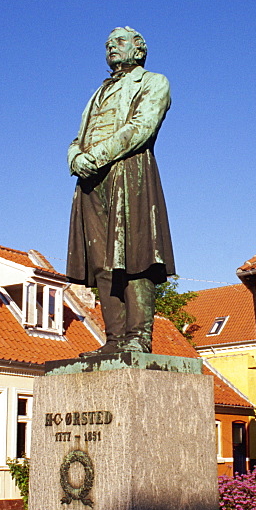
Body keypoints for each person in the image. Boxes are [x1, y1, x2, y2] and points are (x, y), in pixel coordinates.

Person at [66, 27, 175, 354]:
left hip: (129, 174)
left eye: (120, 42)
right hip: (91, 181)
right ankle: (114, 340)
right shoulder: (97, 93)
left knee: (135, 255)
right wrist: (75, 158)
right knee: (101, 261)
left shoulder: (154, 82)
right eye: (108, 44)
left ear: (139, 49)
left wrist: (96, 157)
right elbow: (79, 137)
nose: (112, 47)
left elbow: (141, 127)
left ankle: (138, 337)